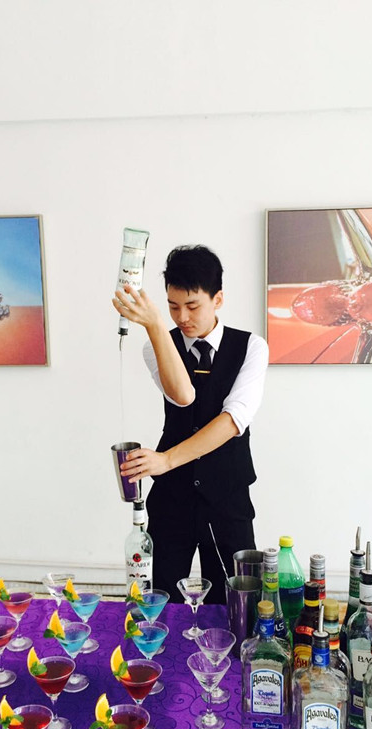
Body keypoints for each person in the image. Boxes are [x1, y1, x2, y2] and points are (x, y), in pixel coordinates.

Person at [112, 245, 268, 604]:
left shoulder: (251, 348)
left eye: (193, 306)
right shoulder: (156, 345)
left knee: (235, 603)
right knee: (161, 600)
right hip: (172, 498)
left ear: (218, 299)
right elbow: (183, 396)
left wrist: (166, 459)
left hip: (228, 497)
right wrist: (154, 326)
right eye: (172, 306)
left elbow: (232, 421)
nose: (182, 317)